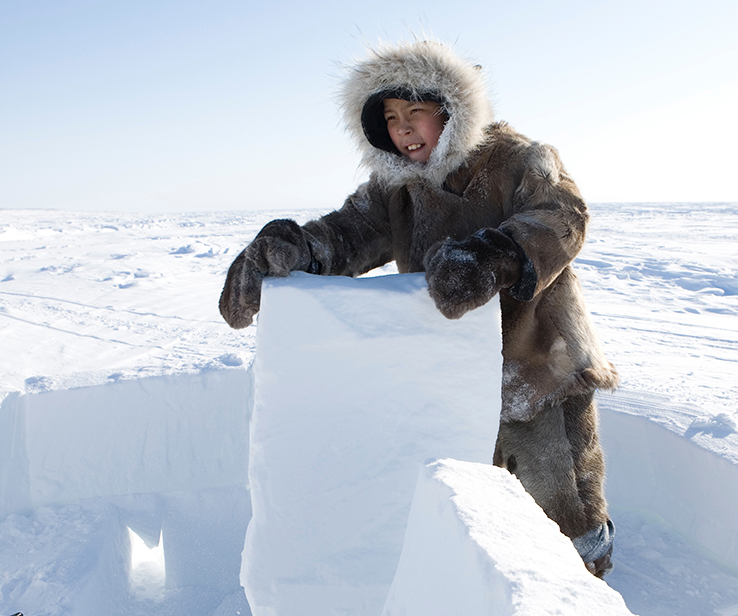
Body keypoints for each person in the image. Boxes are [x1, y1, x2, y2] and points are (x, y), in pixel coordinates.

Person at [219, 40, 619, 577]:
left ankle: (585, 582)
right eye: (389, 117)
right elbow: (347, 233)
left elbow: (563, 214)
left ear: (451, 111)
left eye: (415, 112)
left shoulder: (520, 159)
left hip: (537, 361)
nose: (402, 129)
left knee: (558, 493)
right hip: (452, 368)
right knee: (478, 491)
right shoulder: (395, 188)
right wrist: (294, 250)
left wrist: (492, 255)